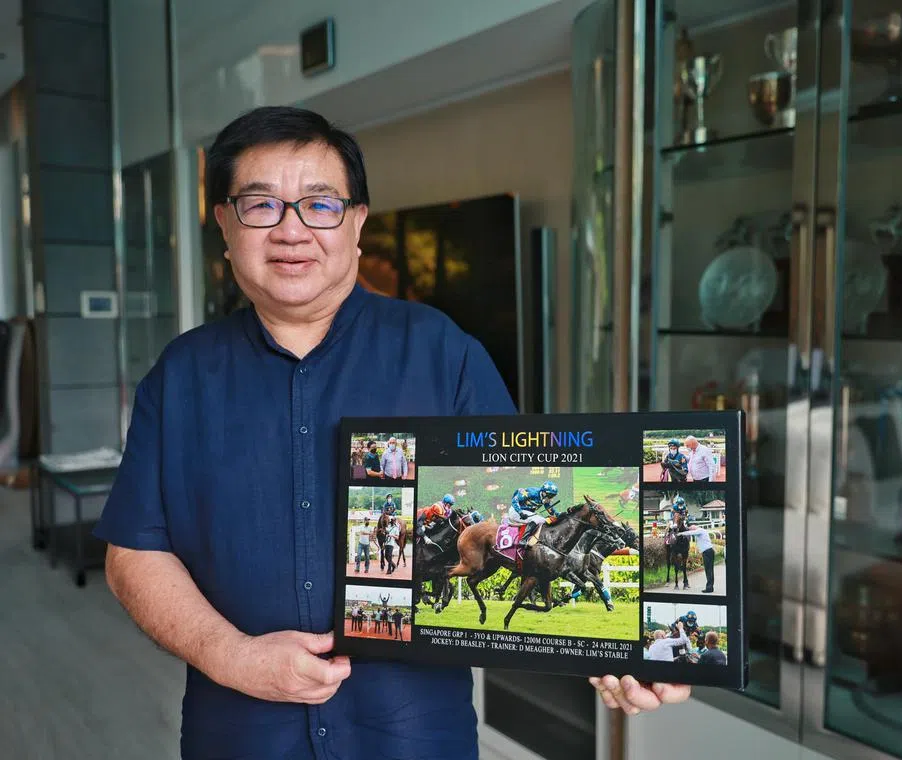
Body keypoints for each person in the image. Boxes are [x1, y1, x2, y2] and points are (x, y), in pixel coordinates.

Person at [93, 106, 684, 759]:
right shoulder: (180, 377)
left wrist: (623, 643)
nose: (292, 230)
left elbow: (520, 516)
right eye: (262, 205)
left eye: (320, 205)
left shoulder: (443, 354)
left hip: (412, 739)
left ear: (356, 224)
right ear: (226, 227)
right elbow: (134, 554)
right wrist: (232, 657)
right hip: (240, 736)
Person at [509, 480, 560, 546]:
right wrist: (520, 512)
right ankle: (523, 540)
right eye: (550, 496)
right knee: (539, 519)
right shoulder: (531, 492)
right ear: (544, 493)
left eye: (553, 496)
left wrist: (558, 514)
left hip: (526, 513)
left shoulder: (544, 497)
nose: (551, 498)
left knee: (542, 520)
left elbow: (548, 508)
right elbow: (515, 500)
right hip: (515, 512)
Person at [677, 521, 718, 593]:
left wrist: (681, 533)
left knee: (708, 570)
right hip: (709, 551)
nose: (691, 530)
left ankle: (709, 588)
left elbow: (691, 533)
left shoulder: (699, 530)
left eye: (692, 528)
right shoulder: (701, 531)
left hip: (707, 552)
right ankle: (710, 587)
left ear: (694, 527)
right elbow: (691, 531)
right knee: (710, 570)